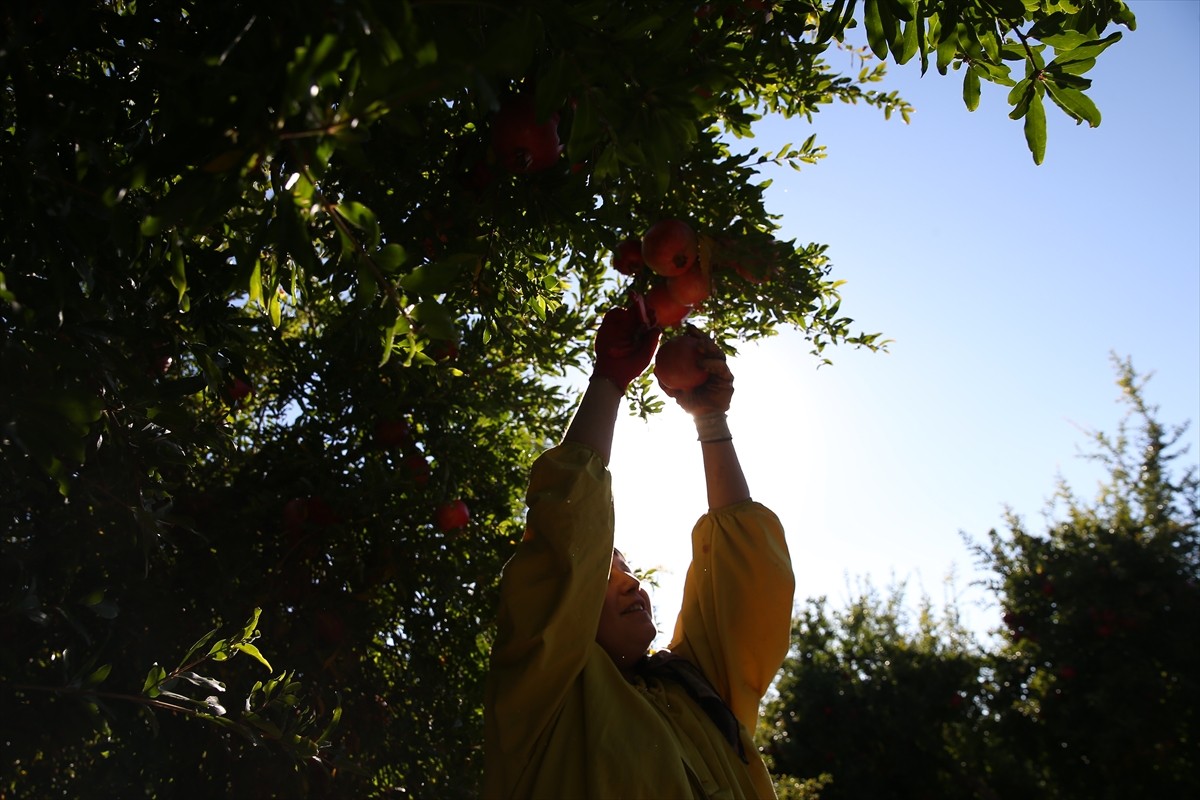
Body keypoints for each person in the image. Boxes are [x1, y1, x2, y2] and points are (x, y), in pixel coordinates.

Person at [483, 300, 795, 799]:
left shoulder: (698, 689)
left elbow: (744, 577)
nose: (631, 583)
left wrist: (710, 421)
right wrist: (607, 379)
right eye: (603, 579)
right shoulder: (545, 693)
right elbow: (567, 528)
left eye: (626, 570)